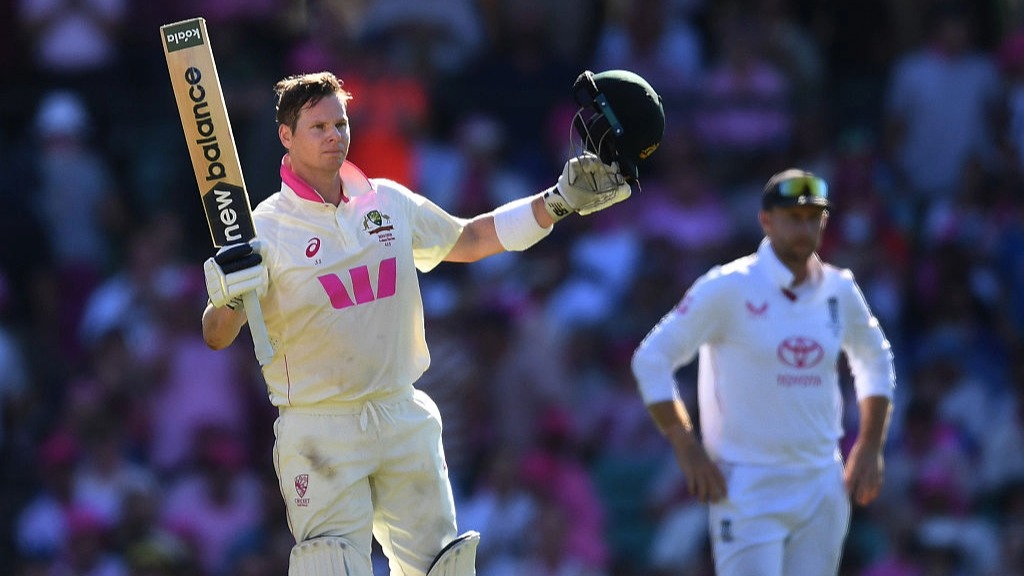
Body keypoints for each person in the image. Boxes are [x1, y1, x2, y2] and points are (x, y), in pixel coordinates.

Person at [199, 69, 664, 576]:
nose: (334, 136)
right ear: (286, 136)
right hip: (319, 426)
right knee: (330, 567)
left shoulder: (389, 202)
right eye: (318, 128)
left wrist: (555, 203)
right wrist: (230, 297)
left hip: (401, 412)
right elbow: (216, 335)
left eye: (340, 123)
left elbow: (467, 239)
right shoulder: (263, 231)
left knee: (440, 568)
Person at [631, 168, 895, 576]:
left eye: (814, 217)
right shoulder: (727, 287)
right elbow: (650, 360)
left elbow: (875, 359)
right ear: (766, 220)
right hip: (747, 483)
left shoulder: (839, 290)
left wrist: (871, 444)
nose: (805, 228)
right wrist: (686, 447)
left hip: (822, 480)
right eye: (793, 217)